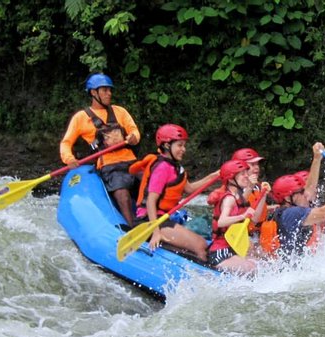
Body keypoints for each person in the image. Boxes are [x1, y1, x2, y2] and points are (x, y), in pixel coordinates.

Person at [59, 73, 140, 226]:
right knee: (122, 193)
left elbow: (134, 131)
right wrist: (69, 159)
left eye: (110, 90)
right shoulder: (81, 118)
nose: (109, 93)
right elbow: (66, 142)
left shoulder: (120, 111)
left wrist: (134, 137)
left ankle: (160, 223)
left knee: (151, 184)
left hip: (131, 162)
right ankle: (131, 228)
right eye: (104, 90)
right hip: (109, 166)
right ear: (93, 93)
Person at [130, 124, 219, 261]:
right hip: (149, 222)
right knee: (200, 245)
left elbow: (189, 189)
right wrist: (156, 232)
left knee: (199, 245)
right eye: (180, 145)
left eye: (184, 145)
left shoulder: (176, 167)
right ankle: (207, 276)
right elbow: (150, 201)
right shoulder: (162, 168)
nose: (183, 149)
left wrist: (214, 176)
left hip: (164, 219)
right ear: (166, 145)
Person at [207, 159, 265, 274]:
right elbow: (221, 222)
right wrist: (242, 216)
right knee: (254, 269)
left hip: (232, 248)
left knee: (262, 264)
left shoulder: (236, 196)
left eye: (246, 173)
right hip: (220, 252)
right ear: (231, 178)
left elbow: (243, 202)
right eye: (242, 174)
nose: (246, 176)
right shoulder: (229, 199)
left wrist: (256, 189)